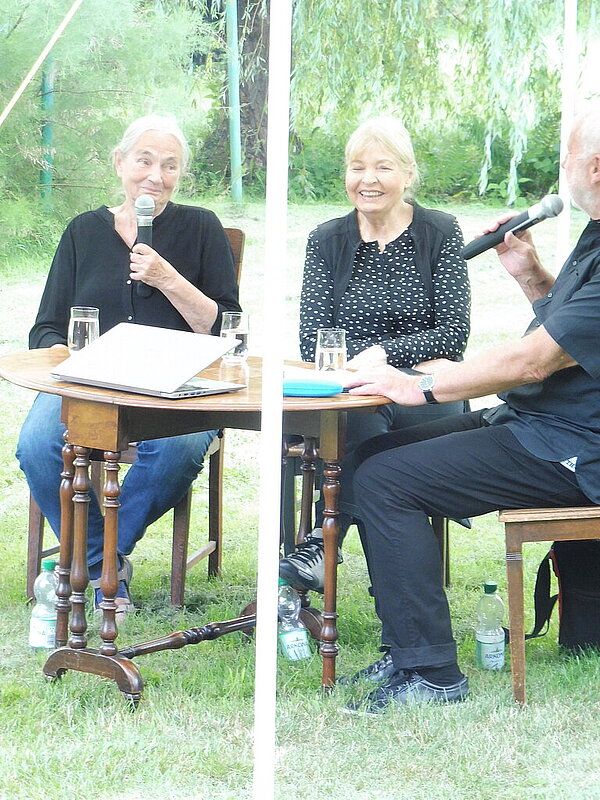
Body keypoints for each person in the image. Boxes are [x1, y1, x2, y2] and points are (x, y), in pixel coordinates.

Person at [337, 106, 600, 713]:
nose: (561, 171)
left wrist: (424, 388)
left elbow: (535, 360)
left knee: (385, 481)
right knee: (373, 454)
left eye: (564, 158)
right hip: (541, 424)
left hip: (574, 447)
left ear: (592, 165)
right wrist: (530, 272)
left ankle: (429, 674)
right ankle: (408, 644)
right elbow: (571, 337)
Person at [17, 114, 241, 618]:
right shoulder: (83, 231)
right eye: (144, 160)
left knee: (180, 449)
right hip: (91, 381)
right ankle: (104, 569)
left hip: (176, 384)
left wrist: (168, 279)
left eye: (170, 166)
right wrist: (66, 355)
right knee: (37, 445)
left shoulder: (201, 227)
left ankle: (92, 566)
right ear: (120, 164)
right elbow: (47, 327)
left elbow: (229, 330)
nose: (155, 176)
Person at [279, 117, 471, 592]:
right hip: (352, 387)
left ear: (407, 173)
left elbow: (453, 334)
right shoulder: (327, 240)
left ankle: (325, 543)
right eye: (356, 167)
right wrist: (362, 371)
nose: (368, 180)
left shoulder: (439, 232)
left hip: (426, 391)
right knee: (359, 415)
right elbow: (313, 340)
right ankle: (392, 567)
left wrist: (385, 357)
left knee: (364, 418)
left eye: (383, 167)